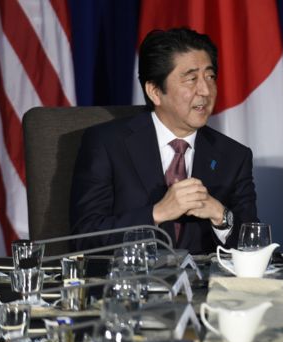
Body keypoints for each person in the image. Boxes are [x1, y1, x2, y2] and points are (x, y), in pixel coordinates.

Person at [70, 28, 258, 253]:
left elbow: (255, 246)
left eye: (210, 77)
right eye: (191, 79)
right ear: (155, 92)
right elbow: (84, 237)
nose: (205, 90)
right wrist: (157, 213)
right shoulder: (107, 144)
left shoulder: (234, 156)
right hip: (128, 283)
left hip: (205, 286)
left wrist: (221, 216)